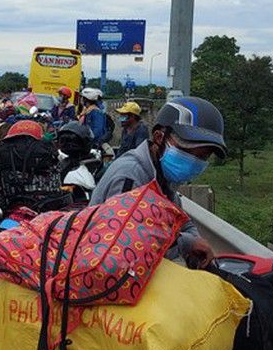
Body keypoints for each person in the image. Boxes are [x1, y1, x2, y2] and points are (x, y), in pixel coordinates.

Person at [90, 95, 227, 268]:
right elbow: (126, 246)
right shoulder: (133, 177)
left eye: (203, 156)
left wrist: (193, 240)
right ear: (159, 137)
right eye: (188, 151)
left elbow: (182, 221)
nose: (194, 161)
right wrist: (187, 244)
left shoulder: (163, 175)